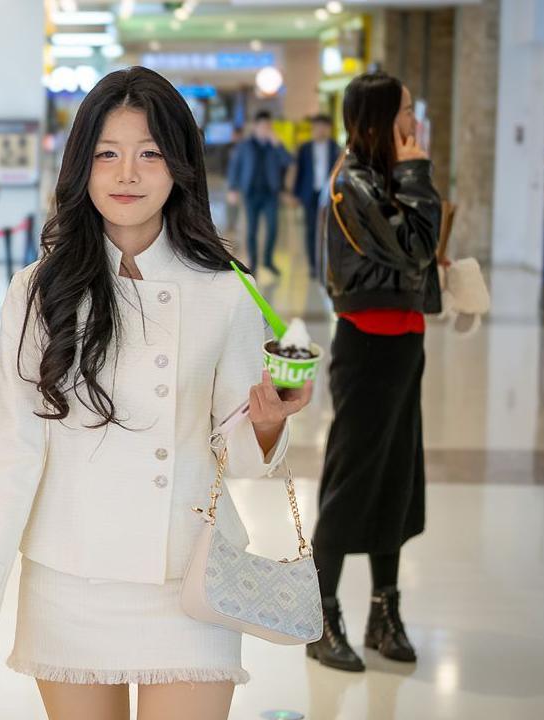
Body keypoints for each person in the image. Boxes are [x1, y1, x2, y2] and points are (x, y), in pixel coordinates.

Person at [0, 67, 313, 720]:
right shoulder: (38, 290)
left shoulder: (224, 288)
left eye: (149, 154)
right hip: (70, 576)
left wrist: (265, 423)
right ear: (81, 165)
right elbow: (14, 447)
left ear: (179, 168)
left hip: (190, 575)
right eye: (107, 154)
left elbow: (240, 455)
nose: (127, 174)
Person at [307, 72, 441, 673]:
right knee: (352, 479)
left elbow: (418, 249)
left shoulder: (383, 177)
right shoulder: (351, 184)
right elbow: (414, 249)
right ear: (377, 120)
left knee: (396, 477)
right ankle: (321, 613)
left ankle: (384, 610)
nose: (415, 121)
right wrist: (417, 177)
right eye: (406, 111)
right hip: (366, 348)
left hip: (405, 343)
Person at [226, 110, 293, 276]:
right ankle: (254, 264)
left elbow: (289, 161)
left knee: (272, 228)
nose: (265, 129)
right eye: (262, 126)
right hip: (250, 193)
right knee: (252, 230)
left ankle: (268, 261)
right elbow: (235, 167)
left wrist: (278, 144)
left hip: (270, 193)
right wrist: (233, 188)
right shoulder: (245, 145)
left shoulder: (274, 145)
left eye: (268, 126)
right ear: (255, 127)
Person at [292, 114, 341, 278]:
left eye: (324, 127)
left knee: (329, 229)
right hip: (309, 194)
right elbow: (300, 172)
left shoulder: (335, 147)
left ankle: (326, 264)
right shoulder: (305, 148)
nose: (321, 130)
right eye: (318, 127)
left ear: (329, 129)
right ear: (313, 129)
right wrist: (296, 194)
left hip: (329, 195)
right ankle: (313, 265)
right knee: (311, 229)